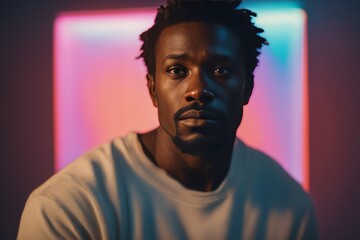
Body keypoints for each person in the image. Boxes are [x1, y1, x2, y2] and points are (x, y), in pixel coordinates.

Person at [18, 0, 317, 239]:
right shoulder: (68, 209)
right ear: (153, 89)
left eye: (221, 70)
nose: (198, 91)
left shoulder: (289, 206)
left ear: (247, 89)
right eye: (177, 70)